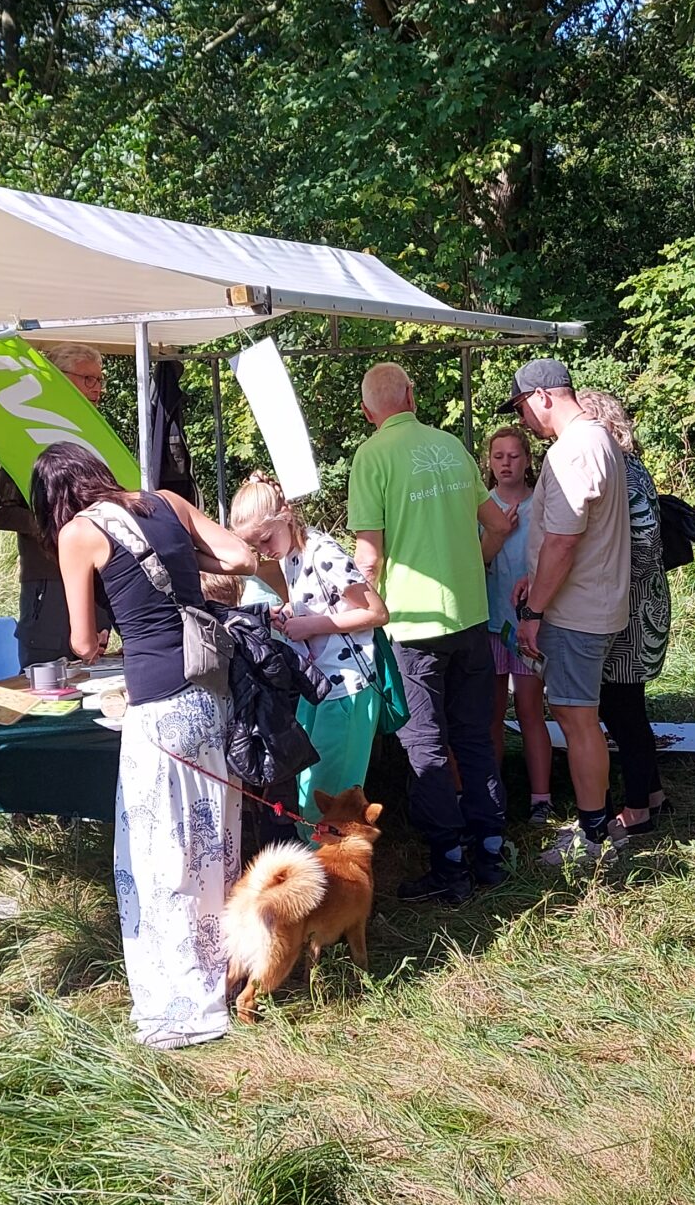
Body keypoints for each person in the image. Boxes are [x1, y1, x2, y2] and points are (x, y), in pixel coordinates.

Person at [35, 441, 258, 1049]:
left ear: (54, 499)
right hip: (212, 692)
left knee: (162, 859)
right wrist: (181, 560)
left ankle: (184, 1005)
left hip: (157, 704)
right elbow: (239, 556)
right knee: (215, 844)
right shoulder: (166, 502)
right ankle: (224, 974)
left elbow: (83, 643)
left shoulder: (79, 533)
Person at [346, 361, 507, 903]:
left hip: (412, 625)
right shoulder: (452, 446)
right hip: (471, 616)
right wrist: (470, 566)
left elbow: (369, 557)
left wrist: (354, 609)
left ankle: (448, 864)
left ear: (367, 411)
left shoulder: (372, 456)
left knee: (425, 745)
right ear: (412, 396)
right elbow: (498, 524)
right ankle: (490, 851)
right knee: (474, 735)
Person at [503, 360, 632, 868]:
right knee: (582, 719)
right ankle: (600, 824)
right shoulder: (600, 439)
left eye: (522, 407)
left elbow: (564, 541)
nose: (524, 420)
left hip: (576, 611)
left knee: (577, 722)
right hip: (591, 601)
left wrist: (534, 609)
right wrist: (533, 575)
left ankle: (593, 839)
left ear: (542, 397)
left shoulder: (573, 449)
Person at [229, 472, 390, 815]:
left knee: (330, 801)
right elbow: (324, 604)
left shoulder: (323, 554)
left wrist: (310, 625)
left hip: (347, 688)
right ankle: (314, 848)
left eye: (266, 539)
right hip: (318, 685)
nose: (265, 551)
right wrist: (290, 613)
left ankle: (327, 850)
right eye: (256, 547)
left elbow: (376, 613)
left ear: (286, 514)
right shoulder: (290, 555)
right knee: (310, 793)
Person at [576, 390, 674, 837]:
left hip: (630, 608)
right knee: (628, 706)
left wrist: (612, 582)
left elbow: (647, 542)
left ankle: (637, 810)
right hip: (639, 601)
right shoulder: (630, 468)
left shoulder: (624, 474)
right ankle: (652, 794)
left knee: (621, 710)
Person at [0, 343, 112, 666]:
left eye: (99, 380)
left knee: (95, 671)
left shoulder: (98, 436)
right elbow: (0, 514)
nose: (96, 389)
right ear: (57, 380)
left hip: (96, 576)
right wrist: (56, 525)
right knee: (46, 674)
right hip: (49, 579)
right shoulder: (28, 434)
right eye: (87, 379)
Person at [477, 426, 555, 824]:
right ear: (489, 463)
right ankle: (494, 797)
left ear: (527, 460)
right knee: (490, 714)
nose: (506, 463)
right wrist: (497, 533)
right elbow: (475, 562)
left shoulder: (541, 503)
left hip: (529, 627)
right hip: (490, 624)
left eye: (513, 456)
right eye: (498, 457)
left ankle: (541, 797)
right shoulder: (480, 506)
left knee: (529, 710)